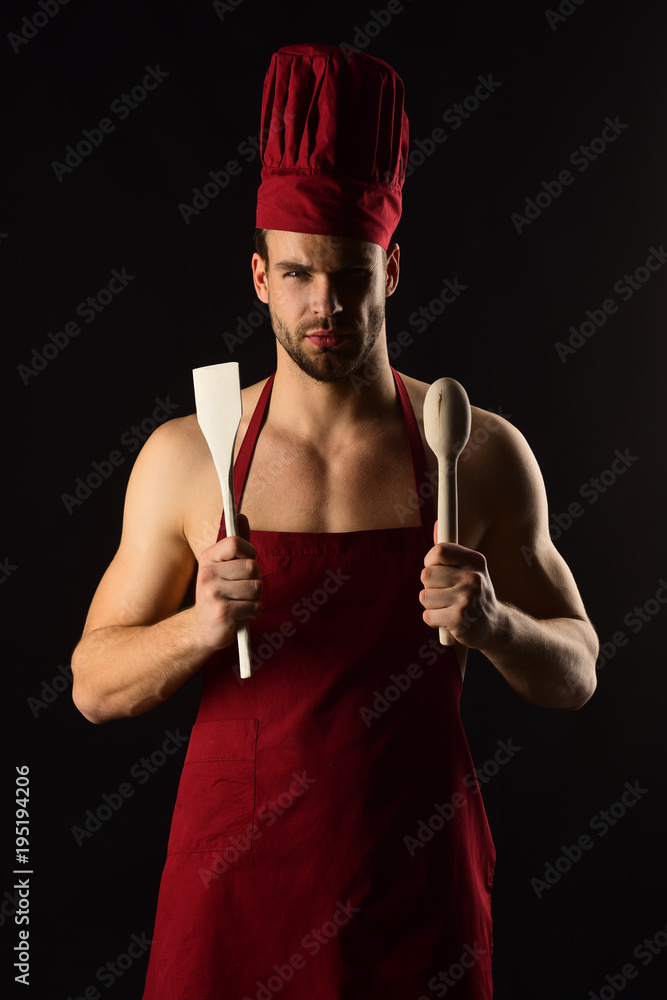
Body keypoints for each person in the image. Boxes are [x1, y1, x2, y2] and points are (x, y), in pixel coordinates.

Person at [71, 43, 598, 999]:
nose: (328, 303)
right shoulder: (189, 458)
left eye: (351, 274)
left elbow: (580, 670)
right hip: (229, 900)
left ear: (389, 269)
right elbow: (92, 686)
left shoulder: (473, 451)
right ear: (262, 277)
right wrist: (197, 627)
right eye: (301, 275)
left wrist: (494, 624)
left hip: (416, 895)